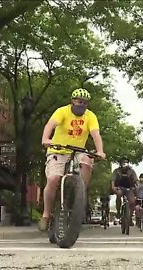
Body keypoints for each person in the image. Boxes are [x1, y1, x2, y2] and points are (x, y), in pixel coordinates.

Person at [39, 88, 106, 231]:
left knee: (88, 159)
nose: (82, 105)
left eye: (85, 103)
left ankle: (80, 191)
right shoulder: (62, 111)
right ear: (72, 101)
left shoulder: (90, 116)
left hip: (77, 152)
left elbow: (96, 135)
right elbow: (50, 125)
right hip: (58, 150)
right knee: (53, 179)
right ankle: (46, 214)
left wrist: (100, 151)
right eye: (79, 102)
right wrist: (46, 139)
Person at [111, 157, 138, 226]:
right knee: (119, 194)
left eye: (126, 163)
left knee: (132, 201)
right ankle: (118, 211)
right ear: (120, 164)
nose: (125, 164)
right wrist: (113, 187)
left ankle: (130, 217)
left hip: (129, 188)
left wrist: (136, 186)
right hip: (119, 187)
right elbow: (113, 180)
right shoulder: (116, 171)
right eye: (123, 163)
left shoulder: (131, 171)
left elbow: (135, 180)